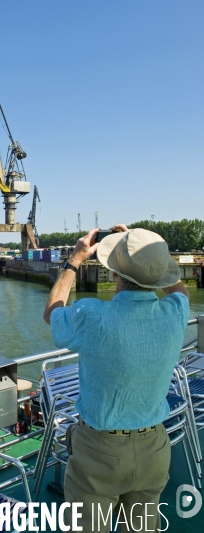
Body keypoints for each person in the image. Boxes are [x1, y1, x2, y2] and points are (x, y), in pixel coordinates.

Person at [43, 225, 190, 533]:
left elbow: (52, 312)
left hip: (100, 450)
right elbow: (181, 291)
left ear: (113, 274)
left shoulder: (92, 316)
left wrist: (75, 260)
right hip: (154, 447)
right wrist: (148, 252)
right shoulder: (176, 312)